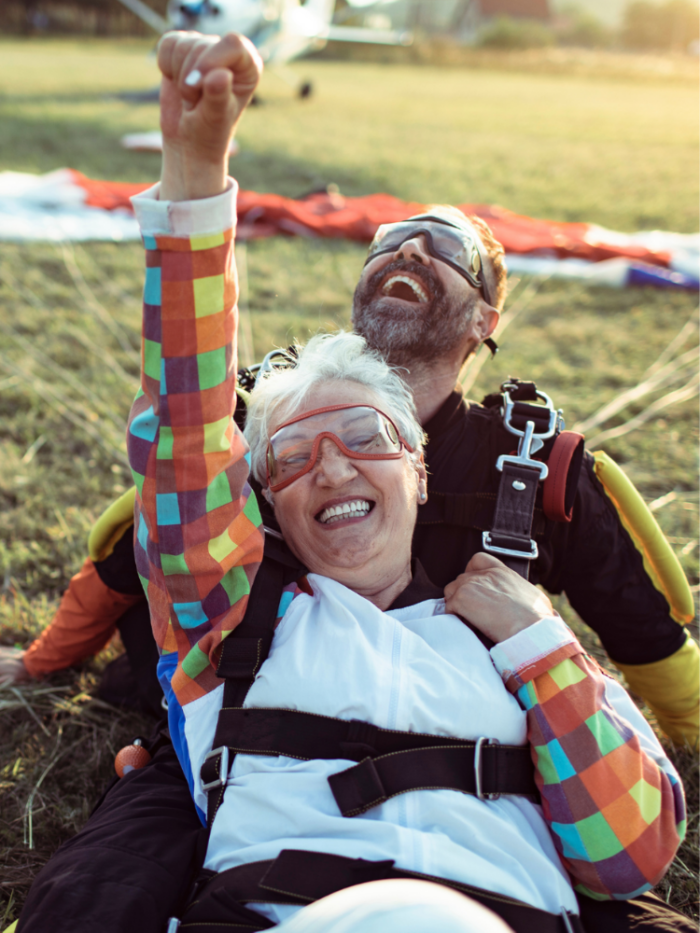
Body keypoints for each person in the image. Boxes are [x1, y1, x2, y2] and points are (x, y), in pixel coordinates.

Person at [16, 32, 692, 933]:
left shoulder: (529, 610)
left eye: (362, 437)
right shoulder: (238, 620)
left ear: (418, 462)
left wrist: (538, 645)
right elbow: (178, 442)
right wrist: (194, 167)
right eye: (290, 456)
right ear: (270, 504)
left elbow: (632, 852)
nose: (329, 463)